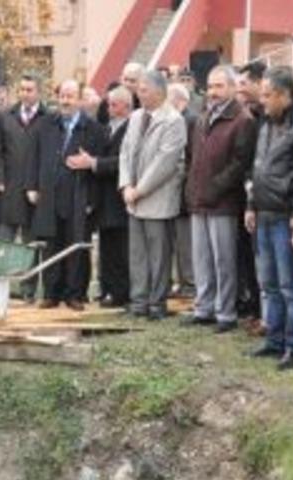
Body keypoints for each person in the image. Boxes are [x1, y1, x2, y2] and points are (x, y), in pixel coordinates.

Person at [245, 66, 293, 370]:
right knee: (269, 283)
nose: (262, 100)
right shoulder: (267, 122)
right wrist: (251, 204)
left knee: (291, 285)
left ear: (286, 95)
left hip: (287, 214)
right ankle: (274, 340)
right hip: (263, 211)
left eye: (268, 95)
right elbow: (258, 166)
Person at [181, 65, 257, 334]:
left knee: (224, 260)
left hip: (224, 202)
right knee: (201, 257)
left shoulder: (243, 119)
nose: (213, 92)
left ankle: (226, 312)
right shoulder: (203, 117)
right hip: (199, 198)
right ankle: (204, 307)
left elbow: (240, 163)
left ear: (232, 87)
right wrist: (192, 187)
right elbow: (192, 157)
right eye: (210, 86)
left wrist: (215, 188)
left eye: (219, 86)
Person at [28, 79, 106, 311]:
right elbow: (33, 157)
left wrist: (92, 199)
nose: (65, 101)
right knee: (51, 244)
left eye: (70, 96)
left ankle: (75, 294)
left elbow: (97, 167)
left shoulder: (93, 129)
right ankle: (51, 293)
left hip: (78, 197)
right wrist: (31, 186)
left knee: (76, 246)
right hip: (49, 195)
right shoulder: (44, 125)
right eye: (62, 96)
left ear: (80, 99)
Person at [119, 70, 187, 320]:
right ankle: (139, 301)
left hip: (157, 197)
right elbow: (125, 152)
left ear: (159, 91)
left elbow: (165, 162)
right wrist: (126, 184)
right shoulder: (136, 116)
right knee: (137, 253)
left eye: (144, 89)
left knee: (158, 255)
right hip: (133, 197)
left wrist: (140, 189)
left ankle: (156, 304)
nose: (139, 93)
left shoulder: (173, 120)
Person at [0, 73, 47, 304]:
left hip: (33, 192)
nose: (25, 93)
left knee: (30, 245)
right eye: (22, 89)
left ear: (39, 92)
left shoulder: (48, 118)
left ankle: (28, 290)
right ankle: (0, 288)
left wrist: (40, 186)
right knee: (3, 243)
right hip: (9, 190)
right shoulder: (6, 117)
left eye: (29, 89)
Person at [90, 86, 133, 308]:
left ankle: (120, 292)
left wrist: (94, 163)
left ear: (126, 106)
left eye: (114, 104)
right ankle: (106, 288)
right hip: (104, 197)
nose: (109, 108)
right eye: (108, 104)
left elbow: (123, 161)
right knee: (106, 247)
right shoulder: (107, 128)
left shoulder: (130, 128)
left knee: (120, 249)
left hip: (119, 197)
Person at [236, 60, 268, 325]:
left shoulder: (269, 119)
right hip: (251, 198)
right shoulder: (253, 117)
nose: (241, 90)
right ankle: (256, 309)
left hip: (273, 203)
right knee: (250, 258)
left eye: (244, 84)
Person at [167, 82, 197, 299]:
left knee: (185, 242)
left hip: (185, 190)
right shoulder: (177, 120)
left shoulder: (190, 120)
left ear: (180, 101)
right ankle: (183, 281)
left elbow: (190, 158)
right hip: (176, 191)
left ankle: (189, 283)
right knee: (178, 240)